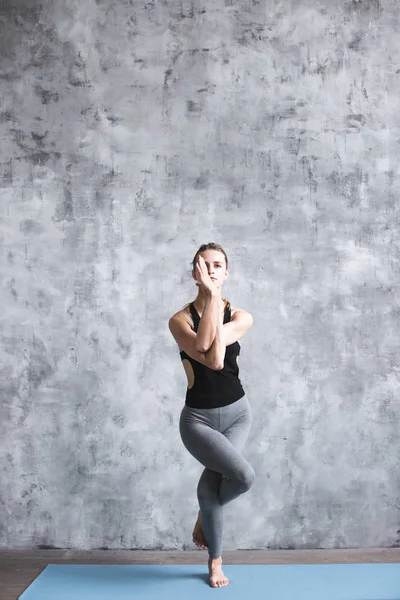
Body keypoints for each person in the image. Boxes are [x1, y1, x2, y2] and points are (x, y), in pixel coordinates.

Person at [168, 243, 255, 588]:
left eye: (217, 265)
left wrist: (216, 300)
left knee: (220, 487)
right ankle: (215, 560)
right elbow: (210, 357)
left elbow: (217, 352)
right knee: (236, 477)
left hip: (237, 415)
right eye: (204, 266)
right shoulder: (179, 320)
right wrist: (212, 298)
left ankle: (207, 529)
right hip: (198, 422)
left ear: (227, 272)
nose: (212, 270)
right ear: (195, 274)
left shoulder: (242, 316)